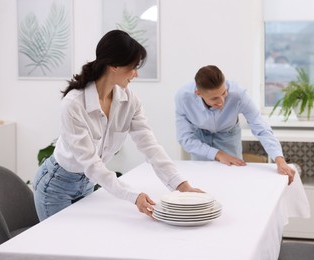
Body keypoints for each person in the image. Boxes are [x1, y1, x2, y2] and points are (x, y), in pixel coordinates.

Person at [33, 30, 201, 221]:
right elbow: (91, 164)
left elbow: (150, 147)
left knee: (83, 241)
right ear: (113, 65)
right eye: (133, 67)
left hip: (87, 184)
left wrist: (182, 186)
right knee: (57, 247)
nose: (136, 74)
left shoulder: (130, 101)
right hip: (56, 186)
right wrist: (133, 196)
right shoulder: (73, 104)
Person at [175, 65, 294, 184]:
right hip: (199, 140)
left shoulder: (239, 94)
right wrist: (217, 154)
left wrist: (279, 159)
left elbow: (260, 126)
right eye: (214, 98)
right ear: (198, 93)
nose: (222, 101)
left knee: (234, 180)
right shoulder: (183, 98)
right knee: (203, 180)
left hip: (228, 136)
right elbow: (185, 138)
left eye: (224, 93)